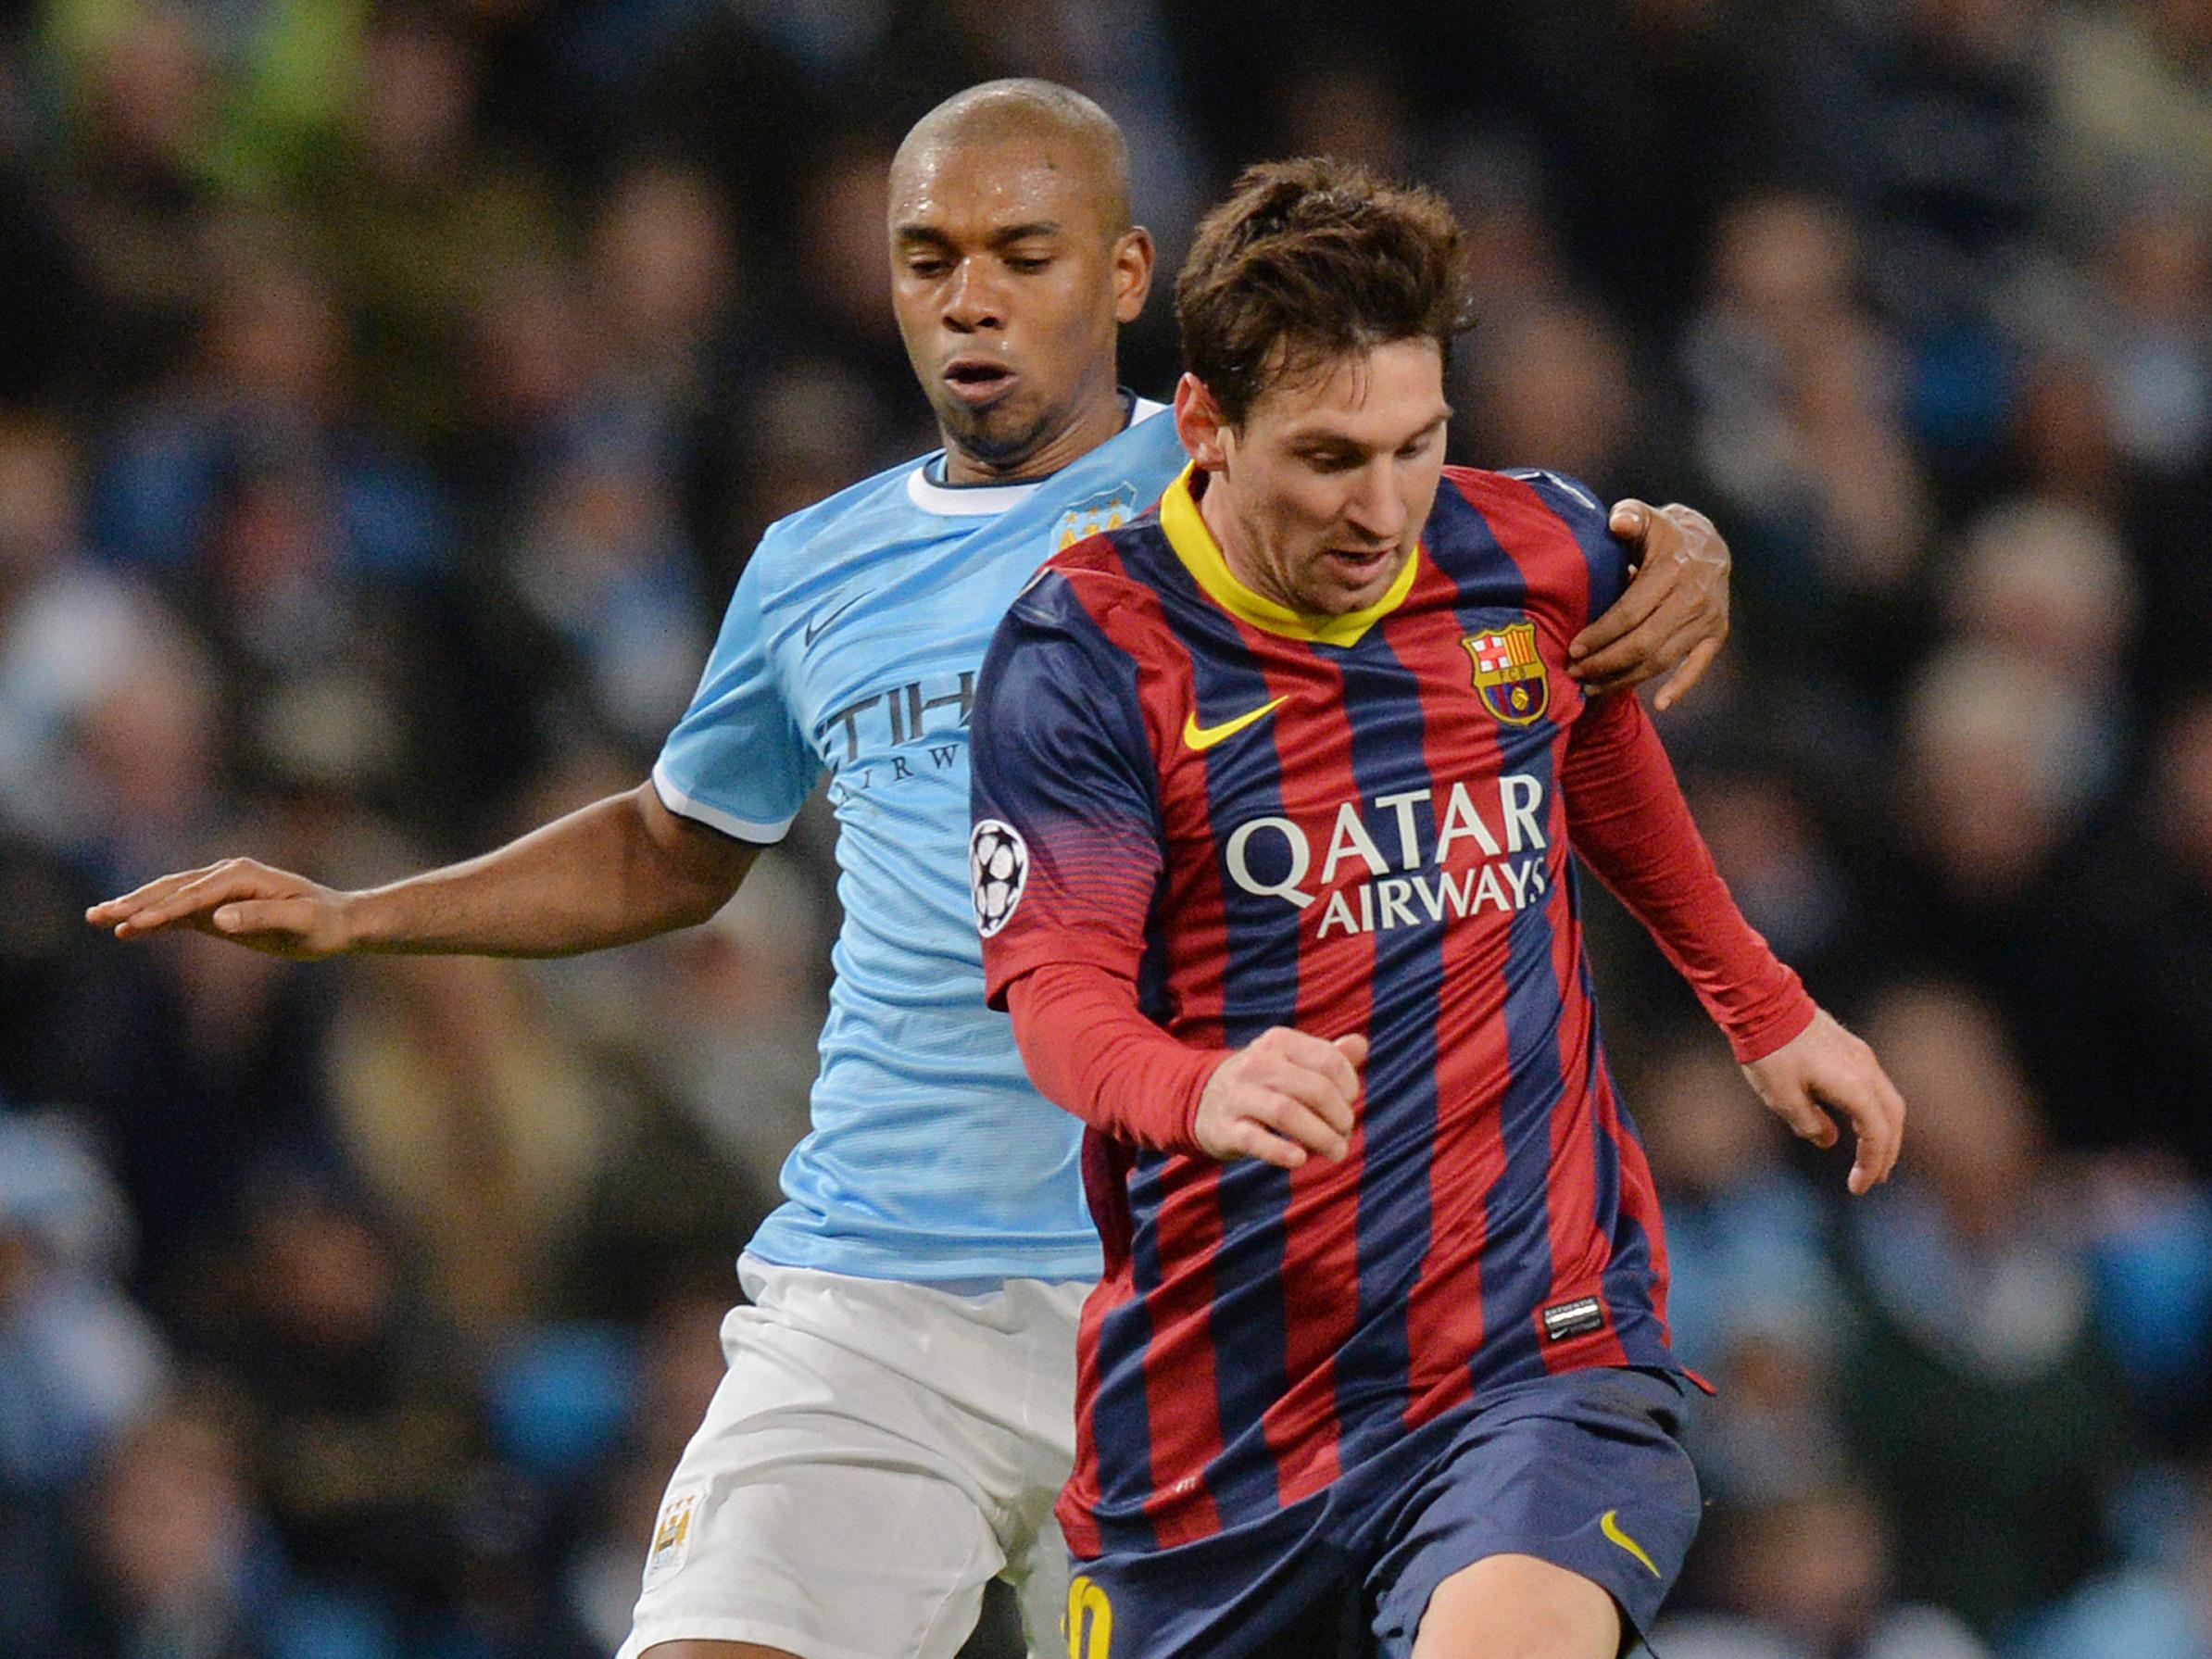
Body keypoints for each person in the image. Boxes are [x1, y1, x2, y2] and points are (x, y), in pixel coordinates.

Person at [87, 85, 1735, 1659]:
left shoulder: (1263, 482)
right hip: (883, 1284)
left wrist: (1672, 540)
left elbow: (1525, 556)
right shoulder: (816, 565)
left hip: (1214, 1306)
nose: (972, 302)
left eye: (1024, 256)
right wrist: (363, 914)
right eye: (929, 258)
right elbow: (677, 843)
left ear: (1126, 274)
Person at [968, 156, 1904, 1659]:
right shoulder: (1090, 654)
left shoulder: (1521, 550)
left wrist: (1761, 1003)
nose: (1386, 506)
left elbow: (1595, 745)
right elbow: (1059, 994)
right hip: (1220, 1414)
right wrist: (1195, 1086)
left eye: (1420, 444)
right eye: (1333, 457)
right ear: (1204, 424)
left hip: (1533, 1347)